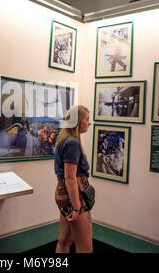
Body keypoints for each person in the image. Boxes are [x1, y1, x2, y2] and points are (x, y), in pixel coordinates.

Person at [54, 105, 93, 253]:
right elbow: (70, 177)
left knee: (64, 241)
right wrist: (77, 207)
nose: (89, 123)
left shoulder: (64, 139)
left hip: (64, 194)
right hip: (75, 195)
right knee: (85, 248)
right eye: (87, 119)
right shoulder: (73, 143)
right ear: (78, 122)